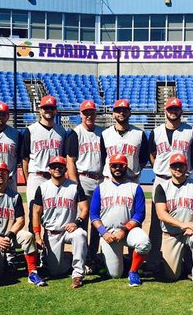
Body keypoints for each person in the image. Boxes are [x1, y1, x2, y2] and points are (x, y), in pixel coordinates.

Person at [148, 97, 193, 273]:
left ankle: (189, 260)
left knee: (188, 216)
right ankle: (154, 260)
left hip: (184, 178)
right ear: (165, 111)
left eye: (176, 108)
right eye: (170, 108)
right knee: (157, 222)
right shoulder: (155, 132)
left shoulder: (191, 131)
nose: (173, 111)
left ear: (181, 111)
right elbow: (152, 155)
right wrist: (161, 169)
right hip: (162, 178)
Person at [0, 162, 45, 286]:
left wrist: (8, 236)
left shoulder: (15, 196)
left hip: (9, 236)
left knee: (27, 236)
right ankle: (2, 263)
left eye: (3, 172)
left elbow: (20, 220)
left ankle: (32, 272)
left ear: (8, 175)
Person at [90, 154, 151, 286]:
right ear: (109, 167)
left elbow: (140, 214)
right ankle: (118, 261)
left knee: (144, 243)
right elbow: (94, 215)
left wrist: (124, 230)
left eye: (121, 165)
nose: (117, 168)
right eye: (114, 165)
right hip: (108, 233)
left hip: (129, 231)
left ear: (126, 167)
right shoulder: (101, 188)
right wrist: (104, 232)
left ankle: (133, 271)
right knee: (115, 274)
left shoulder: (135, 187)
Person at [154, 153, 193, 294]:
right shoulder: (162, 187)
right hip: (171, 234)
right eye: (175, 165)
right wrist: (183, 224)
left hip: (192, 231)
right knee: (171, 275)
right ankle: (184, 265)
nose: (178, 168)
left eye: (181, 165)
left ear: (187, 167)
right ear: (170, 168)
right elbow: (161, 214)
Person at [33, 156, 89, 288]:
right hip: (52, 232)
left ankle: (78, 274)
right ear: (49, 169)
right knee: (56, 272)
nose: (57, 169)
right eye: (54, 166)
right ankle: (67, 257)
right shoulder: (42, 187)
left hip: (70, 230)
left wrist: (77, 222)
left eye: (60, 166)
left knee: (81, 234)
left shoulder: (75, 187)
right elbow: (36, 212)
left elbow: (85, 208)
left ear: (65, 168)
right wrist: (37, 235)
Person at [65, 99, 104, 267]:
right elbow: (70, 161)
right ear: (81, 114)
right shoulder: (76, 133)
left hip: (100, 179)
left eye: (92, 112)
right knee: (82, 218)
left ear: (96, 114)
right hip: (83, 178)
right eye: (86, 112)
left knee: (98, 220)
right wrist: (76, 185)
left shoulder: (103, 133)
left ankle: (93, 254)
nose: (89, 115)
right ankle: (81, 257)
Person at [21, 95, 66, 229]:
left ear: (56, 110)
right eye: (45, 108)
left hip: (55, 177)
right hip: (36, 175)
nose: (48, 110)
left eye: (51, 108)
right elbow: (24, 158)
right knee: (34, 212)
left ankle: (50, 247)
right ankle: (33, 247)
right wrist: (28, 179)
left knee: (53, 212)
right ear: (40, 110)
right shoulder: (30, 130)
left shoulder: (61, 131)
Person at [101, 99, 149, 182]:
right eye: (118, 111)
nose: (121, 113)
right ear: (113, 114)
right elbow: (102, 158)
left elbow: (143, 159)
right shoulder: (105, 134)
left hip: (132, 180)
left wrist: (133, 171)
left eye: (124, 111)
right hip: (110, 181)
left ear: (130, 113)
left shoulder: (139, 134)